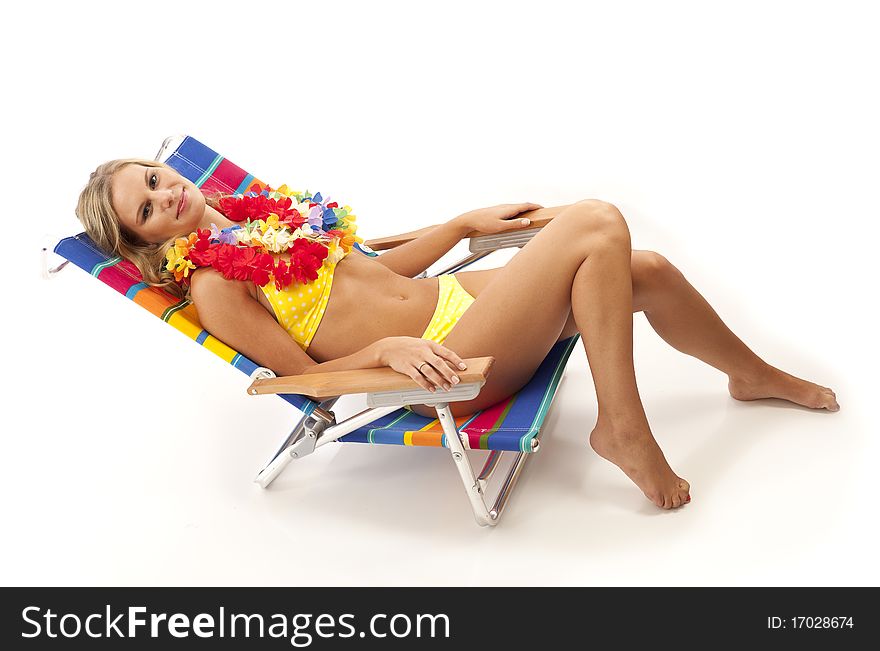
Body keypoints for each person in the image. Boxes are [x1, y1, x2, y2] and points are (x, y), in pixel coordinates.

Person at [75, 158, 840, 511]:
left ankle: (749, 374)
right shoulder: (213, 283)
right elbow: (300, 377)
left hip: (448, 301)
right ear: (141, 243)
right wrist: (381, 353)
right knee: (595, 219)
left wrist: (460, 223)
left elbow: (376, 272)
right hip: (450, 361)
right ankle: (622, 425)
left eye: (150, 177)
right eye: (144, 208)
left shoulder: (266, 218)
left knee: (649, 267)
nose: (163, 194)